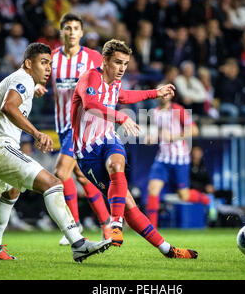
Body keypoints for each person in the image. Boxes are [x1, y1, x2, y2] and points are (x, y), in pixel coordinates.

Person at [0, 42, 111, 262]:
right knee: (53, 183)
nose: (49, 68)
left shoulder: (20, 80)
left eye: (50, 64)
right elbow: (8, 107)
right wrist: (38, 134)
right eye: (43, 63)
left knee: (11, 192)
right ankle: (78, 243)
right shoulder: (23, 79)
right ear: (29, 63)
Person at [71, 38, 198, 259]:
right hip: (87, 152)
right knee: (129, 204)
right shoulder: (90, 77)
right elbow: (91, 105)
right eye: (118, 62)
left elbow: (124, 96)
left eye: (125, 64)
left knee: (117, 164)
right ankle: (162, 247)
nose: (122, 68)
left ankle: (120, 227)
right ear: (105, 60)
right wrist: (120, 116)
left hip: (108, 140)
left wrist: (154, 93)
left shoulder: (116, 84)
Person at [47, 13, 112, 246]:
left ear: (82, 33)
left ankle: (73, 227)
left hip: (83, 125)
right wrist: (35, 86)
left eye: (76, 28)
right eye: (67, 28)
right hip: (62, 125)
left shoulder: (93, 57)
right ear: (61, 32)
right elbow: (36, 76)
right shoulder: (52, 58)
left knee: (61, 173)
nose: (72, 31)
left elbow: (110, 81)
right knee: (82, 178)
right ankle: (107, 225)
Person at [145, 92, 215, 229]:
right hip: (162, 159)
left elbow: (194, 130)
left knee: (183, 195)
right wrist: (150, 139)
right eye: (161, 93)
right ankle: (150, 229)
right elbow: (157, 134)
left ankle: (207, 200)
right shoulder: (154, 112)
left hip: (180, 159)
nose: (163, 96)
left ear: (171, 96)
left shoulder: (178, 110)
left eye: (166, 93)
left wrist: (175, 136)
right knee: (152, 189)